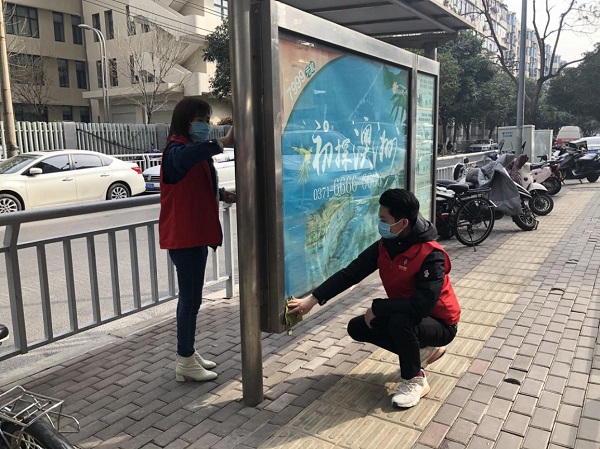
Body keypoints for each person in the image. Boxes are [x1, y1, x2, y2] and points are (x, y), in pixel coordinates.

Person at [288, 189, 460, 408]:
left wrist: (378, 307)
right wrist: (312, 300)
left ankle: (415, 380)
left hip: (441, 324)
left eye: (383, 220)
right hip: (409, 315)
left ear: (403, 223)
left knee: (400, 322)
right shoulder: (386, 245)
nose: (380, 224)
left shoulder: (431, 254)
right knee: (358, 327)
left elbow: (422, 306)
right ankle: (424, 351)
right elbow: (351, 273)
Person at [159, 97, 235, 382]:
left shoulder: (190, 149)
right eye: (200, 120)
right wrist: (223, 142)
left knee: (192, 300)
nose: (204, 126)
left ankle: (188, 353)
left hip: (194, 236)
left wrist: (221, 194)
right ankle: (185, 360)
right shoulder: (176, 150)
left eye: (207, 120)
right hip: (185, 238)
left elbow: (195, 184)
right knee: (190, 300)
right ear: (185, 122)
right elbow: (185, 160)